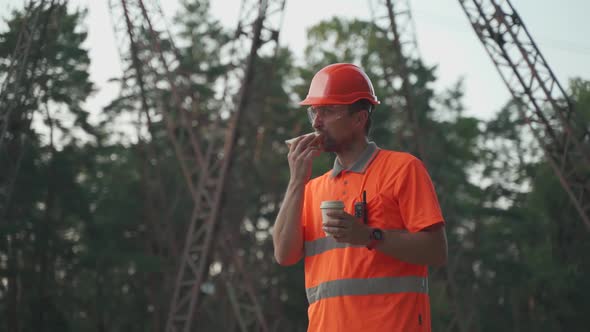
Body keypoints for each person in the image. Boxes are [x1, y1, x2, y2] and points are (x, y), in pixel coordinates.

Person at [272, 63, 448, 332]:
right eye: (314, 112)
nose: (317, 122)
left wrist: (369, 236)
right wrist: (297, 180)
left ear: (359, 118)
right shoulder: (310, 189)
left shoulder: (402, 169)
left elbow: (436, 251)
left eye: (328, 111)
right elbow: (284, 255)